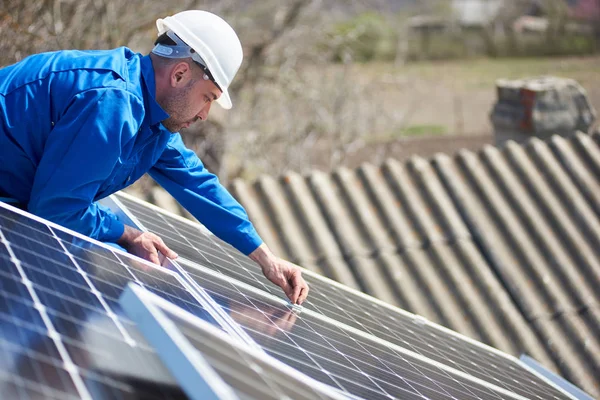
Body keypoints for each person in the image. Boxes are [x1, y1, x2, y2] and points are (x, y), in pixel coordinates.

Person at [0, 10, 308, 305]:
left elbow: (200, 186)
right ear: (180, 74)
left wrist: (265, 257)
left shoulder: (153, 120)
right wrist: (127, 234)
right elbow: (57, 209)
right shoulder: (113, 102)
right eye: (208, 97)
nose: (205, 114)